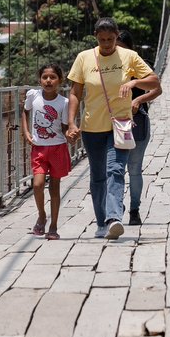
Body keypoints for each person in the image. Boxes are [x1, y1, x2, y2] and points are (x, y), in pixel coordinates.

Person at [66, 17, 160, 240]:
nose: (107, 43)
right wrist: (71, 122)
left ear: (117, 36)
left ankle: (114, 219)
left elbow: (155, 82)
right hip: (92, 126)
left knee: (116, 170)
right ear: (96, 37)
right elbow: (75, 93)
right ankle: (101, 222)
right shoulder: (84, 58)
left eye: (111, 39)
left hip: (121, 123)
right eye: (102, 39)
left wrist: (134, 82)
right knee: (98, 176)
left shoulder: (129, 57)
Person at [117, 30, 162, 225]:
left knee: (134, 169)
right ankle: (116, 207)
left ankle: (134, 209)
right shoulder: (104, 65)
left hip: (136, 123)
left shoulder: (137, 64)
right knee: (115, 169)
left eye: (120, 46)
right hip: (113, 123)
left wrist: (139, 99)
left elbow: (157, 88)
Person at [22, 64, 72, 241]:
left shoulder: (64, 103)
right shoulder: (33, 96)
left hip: (57, 147)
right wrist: (26, 132)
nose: (48, 81)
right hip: (39, 148)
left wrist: (70, 134)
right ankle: (42, 215)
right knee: (37, 184)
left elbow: (65, 127)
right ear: (39, 80)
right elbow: (25, 111)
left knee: (54, 188)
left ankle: (53, 225)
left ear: (60, 80)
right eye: (45, 77)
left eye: (53, 77)